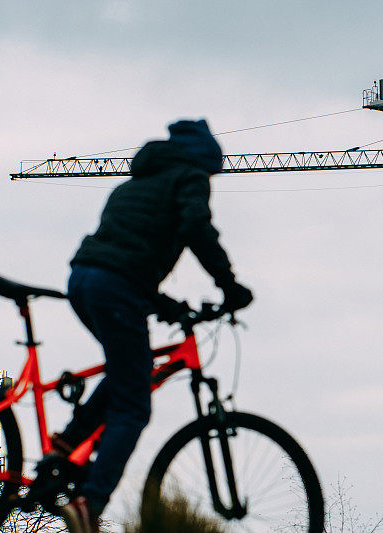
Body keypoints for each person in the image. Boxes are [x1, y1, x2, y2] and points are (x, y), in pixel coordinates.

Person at [51, 119, 253, 533]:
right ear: (205, 161)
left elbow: (126, 250)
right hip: (117, 287)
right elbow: (196, 226)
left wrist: (163, 304)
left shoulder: (133, 184)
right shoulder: (190, 175)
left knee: (131, 370)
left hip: (83, 279)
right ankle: (91, 503)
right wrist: (229, 285)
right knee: (134, 405)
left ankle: (67, 445)